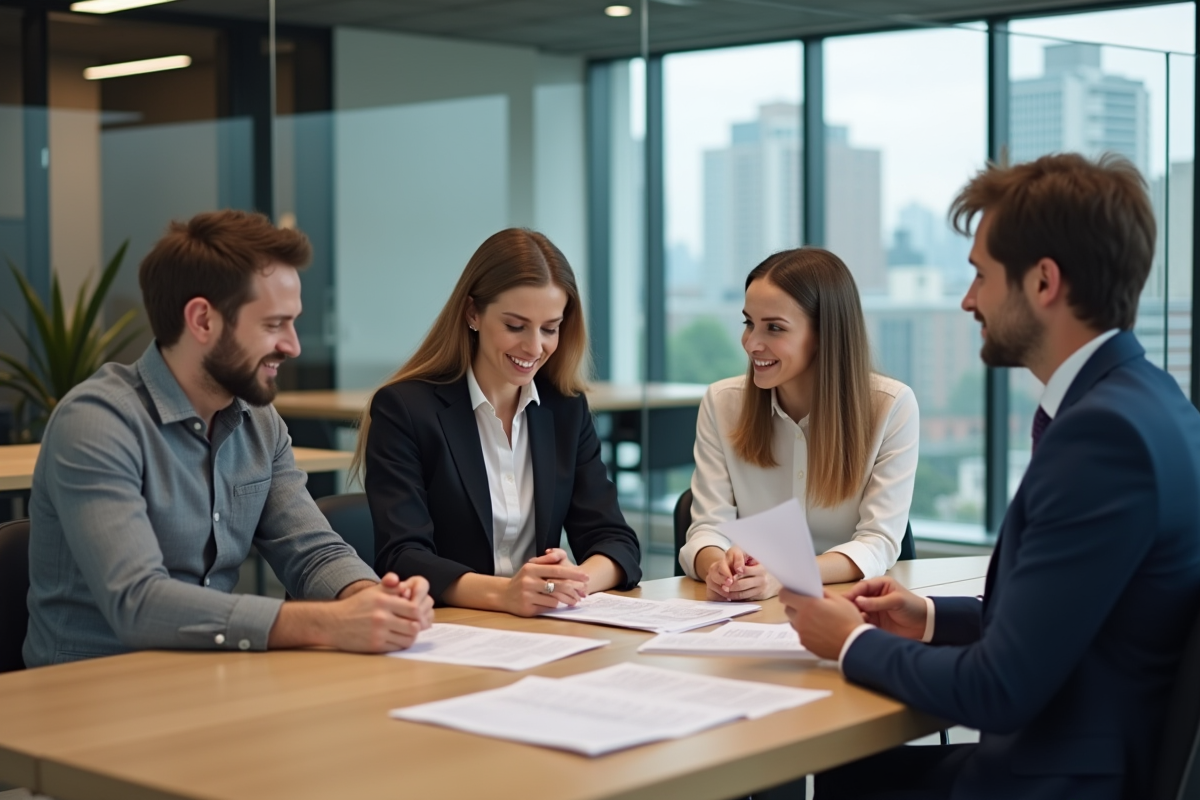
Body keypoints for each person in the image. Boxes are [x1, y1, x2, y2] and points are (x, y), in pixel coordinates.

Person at [783, 154, 1200, 800]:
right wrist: (927, 618)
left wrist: (851, 642)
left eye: (980, 274)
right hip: (1083, 754)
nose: (968, 299)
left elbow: (999, 689)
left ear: (1044, 282)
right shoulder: (1155, 401)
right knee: (850, 776)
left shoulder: (1102, 438)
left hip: (1058, 782)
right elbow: (1071, 616)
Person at [24, 210, 433, 669]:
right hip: (94, 690)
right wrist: (330, 622)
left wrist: (374, 599)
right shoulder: (97, 423)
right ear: (203, 320)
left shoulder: (259, 421)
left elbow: (313, 551)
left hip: (211, 675)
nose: (293, 346)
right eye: (274, 324)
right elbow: (137, 602)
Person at [358, 228, 641, 615]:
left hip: (539, 625)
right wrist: (504, 594)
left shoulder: (566, 409)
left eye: (550, 328)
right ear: (472, 313)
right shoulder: (405, 410)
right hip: (448, 627)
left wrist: (566, 584)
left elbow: (615, 541)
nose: (535, 347)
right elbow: (403, 556)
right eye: (515, 326)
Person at [678, 247, 919, 600]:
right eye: (749, 323)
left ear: (824, 334)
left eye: (774, 328)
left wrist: (788, 572)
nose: (751, 343)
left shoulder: (891, 407)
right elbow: (707, 528)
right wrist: (717, 567)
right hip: (750, 612)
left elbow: (878, 541)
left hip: (849, 607)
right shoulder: (721, 403)